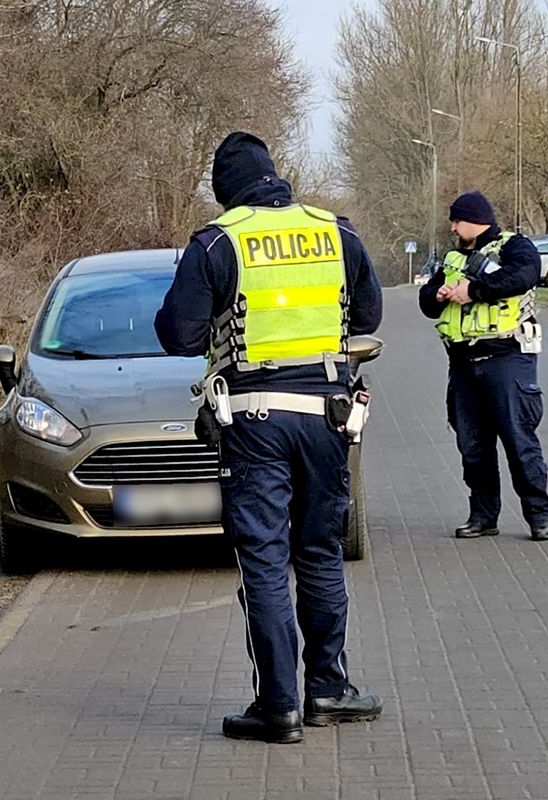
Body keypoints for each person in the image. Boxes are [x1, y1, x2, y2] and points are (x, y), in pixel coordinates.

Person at [154, 131, 384, 744]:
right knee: (319, 550)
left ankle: (278, 705)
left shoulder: (217, 241)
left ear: (224, 191)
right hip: (328, 413)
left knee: (263, 559)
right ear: (275, 176)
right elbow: (368, 319)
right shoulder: (337, 231)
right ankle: (329, 690)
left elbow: (177, 335)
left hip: (254, 418)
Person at [418, 191, 548, 542]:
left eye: (456, 221)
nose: (452, 227)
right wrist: (438, 295)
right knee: (473, 446)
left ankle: (539, 515)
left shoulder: (514, 247)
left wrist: (473, 290)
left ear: (474, 219)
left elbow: (523, 276)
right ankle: (483, 516)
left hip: (507, 359)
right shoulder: (451, 257)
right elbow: (427, 301)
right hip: (463, 364)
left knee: (519, 442)